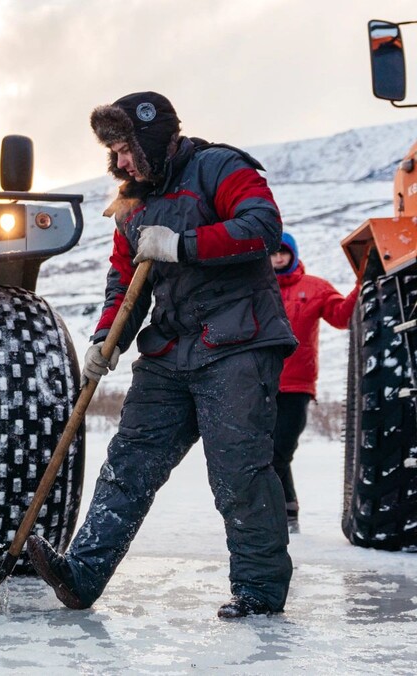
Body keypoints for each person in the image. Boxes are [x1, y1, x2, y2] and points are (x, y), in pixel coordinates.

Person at [23, 92, 298, 619]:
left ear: (150, 137)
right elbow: (124, 280)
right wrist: (108, 339)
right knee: (128, 465)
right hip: (170, 352)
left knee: (239, 472)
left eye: (125, 148)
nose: (119, 162)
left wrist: (181, 244)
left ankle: (259, 594)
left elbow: (262, 227)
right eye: (114, 151)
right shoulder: (132, 202)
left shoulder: (221, 167)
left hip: (238, 343)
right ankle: (81, 576)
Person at [272, 231, 359, 534]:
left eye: (283, 252)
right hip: (258, 383)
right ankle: (287, 510)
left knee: (279, 451)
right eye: (273, 252)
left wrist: (362, 284)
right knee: (265, 451)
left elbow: (341, 317)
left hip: (297, 385)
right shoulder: (255, 288)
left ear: (293, 254)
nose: (278, 257)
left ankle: (275, 514)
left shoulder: (315, 288)